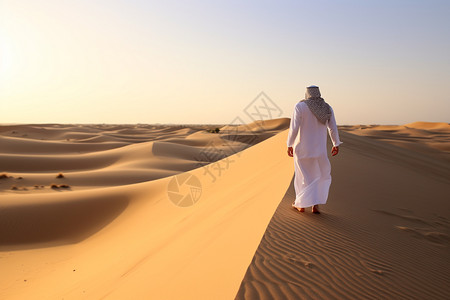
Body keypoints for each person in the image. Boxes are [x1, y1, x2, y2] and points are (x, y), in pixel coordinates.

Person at [287, 85, 342, 214]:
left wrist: (289, 144)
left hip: (302, 148)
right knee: (318, 175)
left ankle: (301, 205)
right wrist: (336, 144)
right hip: (320, 150)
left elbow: (294, 128)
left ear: (307, 94)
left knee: (302, 176)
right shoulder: (327, 108)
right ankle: (315, 205)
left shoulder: (300, 106)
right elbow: (332, 128)